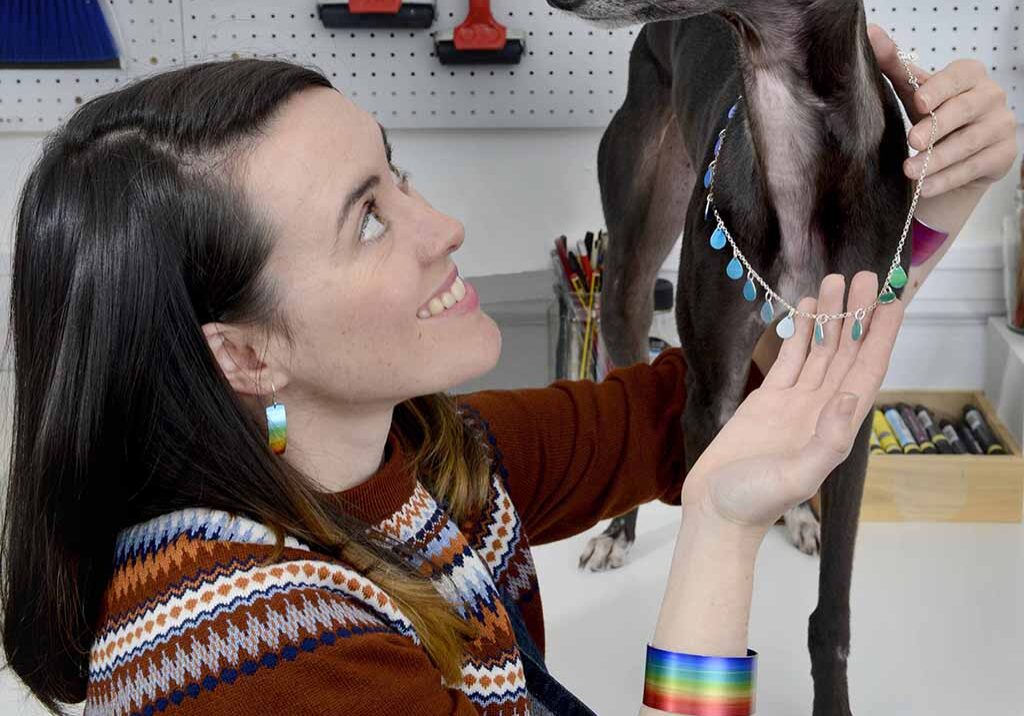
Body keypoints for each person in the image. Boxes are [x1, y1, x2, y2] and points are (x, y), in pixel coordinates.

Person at [0, 24, 1016, 716]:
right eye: (367, 218)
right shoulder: (254, 662)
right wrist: (718, 538)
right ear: (245, 351)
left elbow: (713, 404)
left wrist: (920, 217)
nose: (444, 228)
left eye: (397, 176)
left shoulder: (414, 464)